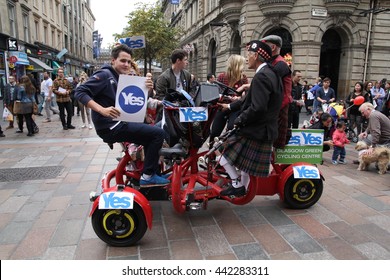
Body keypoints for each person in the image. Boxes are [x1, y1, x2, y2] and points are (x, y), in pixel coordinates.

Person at [75, 44, 169, 187]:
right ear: (113, 60)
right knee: (158, 134)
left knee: (152, 131)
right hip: (111, 126)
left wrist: (147, 90)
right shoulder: (105, 75)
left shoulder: (121, 78)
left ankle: (151, 171)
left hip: (119, 122)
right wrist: (102, 110)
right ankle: (148, 176)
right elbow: (80, 92)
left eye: (129, 62)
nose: (126, 64)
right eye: (123, 61)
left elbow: (134, 102)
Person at [218, 40, 283, 197]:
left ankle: (237, 185)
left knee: (223, 156)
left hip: (256, 130)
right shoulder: (272, 73)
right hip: (265, 130)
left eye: (249, 54)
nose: (247, 58)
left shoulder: (262, 76)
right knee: (245, 167)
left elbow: (258, 107)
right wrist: (229, 107)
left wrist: (239, 120)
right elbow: (251, 100)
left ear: (257, 56)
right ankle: (242, 189)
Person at [260, 35, 292, 149]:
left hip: (279, 107)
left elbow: (267, 82)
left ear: (272, 47)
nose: (261, 49)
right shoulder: (272, 62)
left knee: (274, 143)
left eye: (264, 46)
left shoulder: (280, 64)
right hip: (275, 106)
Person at [209, 54, 248, 145]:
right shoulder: (222, 77)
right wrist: (228, 98)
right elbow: (216, 95)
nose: (244, 67)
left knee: (231, 129)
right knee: (215, 132)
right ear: (237, 65)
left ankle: (226, 150)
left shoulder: (243, 78)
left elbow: (245, 96)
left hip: (235, 108)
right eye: (242, 65)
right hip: (222, 107)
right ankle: (211, 154)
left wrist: (239, 98)